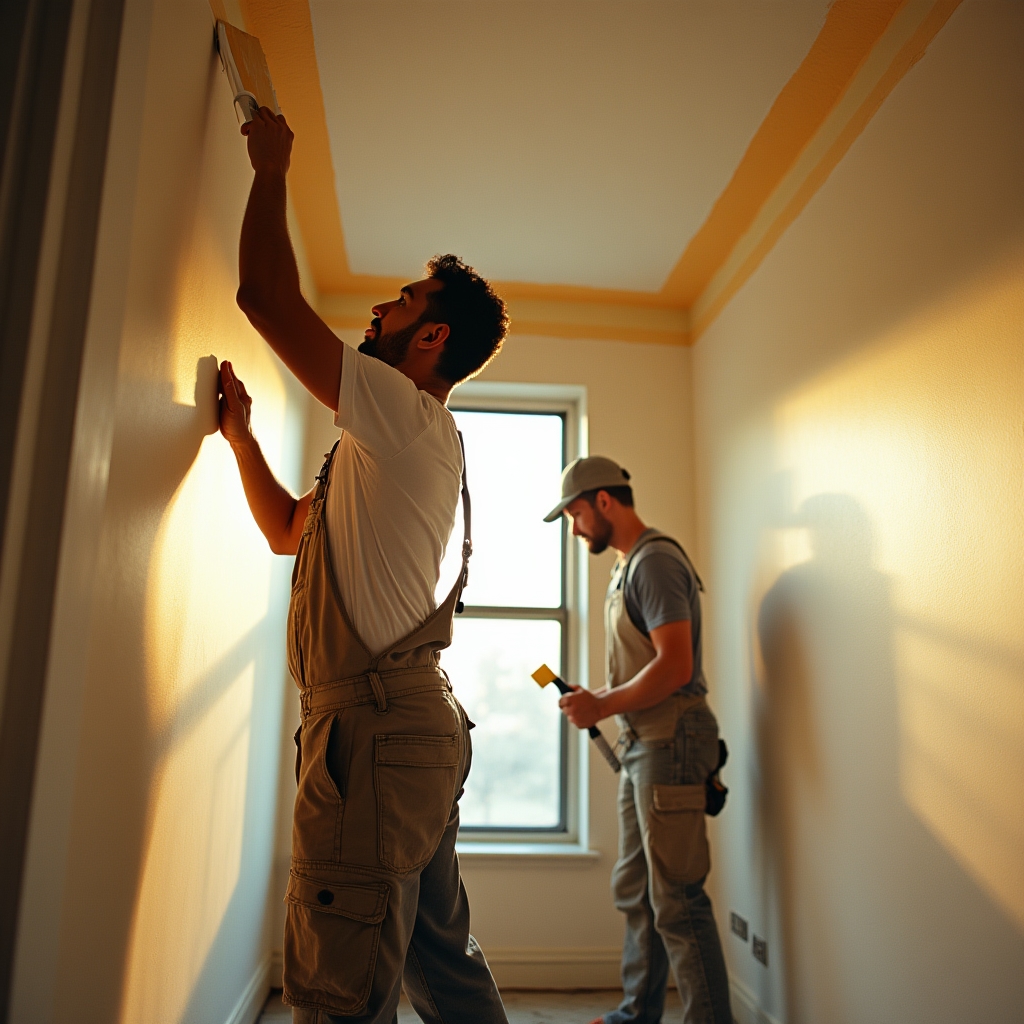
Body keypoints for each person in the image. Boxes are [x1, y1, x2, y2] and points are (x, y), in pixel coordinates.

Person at [218, 106, 510, 1024]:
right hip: (411, 732)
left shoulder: (402, 412)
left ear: (427, 342)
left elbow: (264, 297)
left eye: (401, 302)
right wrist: (242, 441)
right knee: (441, 967)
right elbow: (285, 530)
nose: (380, 311)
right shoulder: (386, 451)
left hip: (376, 738)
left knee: (338, 990)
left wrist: (271, 168)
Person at [544, 457, 732, 1024]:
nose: (574, 528)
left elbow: (675, 667)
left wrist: (602, 704)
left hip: (671, 742)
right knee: (639, 890)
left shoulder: (654, 563)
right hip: (644, 745)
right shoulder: (627, 568)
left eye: (575, 514)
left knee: (676, 898)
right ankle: (637, 1014)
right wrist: (596, 697)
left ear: (604, 501)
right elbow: (648, 668)